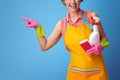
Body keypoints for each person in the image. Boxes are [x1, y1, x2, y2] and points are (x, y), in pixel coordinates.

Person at [22, 0, 110, 80]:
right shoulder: (62, 25)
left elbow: (105, 38)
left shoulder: (91, 16)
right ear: (64, 1)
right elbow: (45, 46)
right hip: (75, 74)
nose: (73, 2)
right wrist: (38, 28)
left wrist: (101, 45)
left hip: (97, 73)